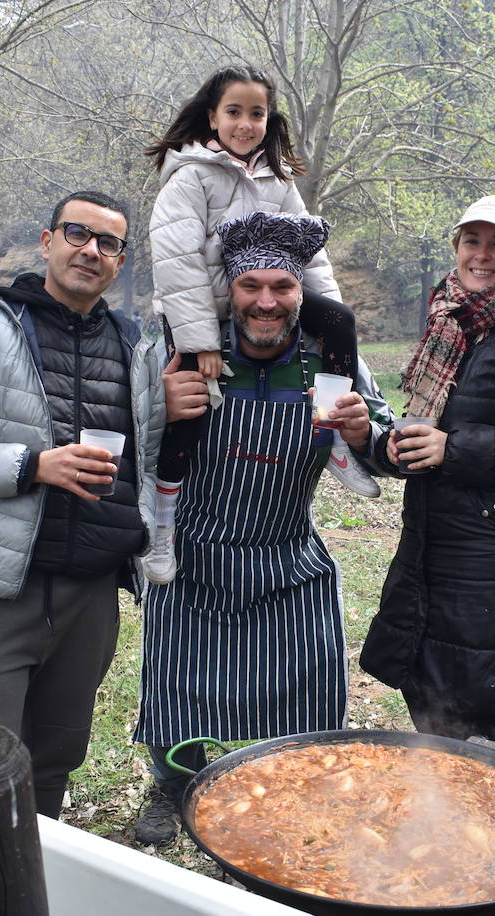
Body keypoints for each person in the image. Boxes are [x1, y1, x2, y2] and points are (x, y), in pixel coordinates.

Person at [0, 190, 166, 819]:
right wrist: (31, 466)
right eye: (77, 233)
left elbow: (150, 457)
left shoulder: (135, 345)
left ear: (121, 261)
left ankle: (40, 872)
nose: (91, 251)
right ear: (47, 242)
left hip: (90, 594)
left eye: (108, 243)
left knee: (56, 758)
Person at [132, 210, 391, 846]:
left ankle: (300, 784)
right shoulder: (184, 352)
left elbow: (384, 441)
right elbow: (123, 428)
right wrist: (159, 409)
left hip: (286, 553)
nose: (267, 302)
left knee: (308, 683)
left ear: (302, 292)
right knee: (177, 685)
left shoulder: (331, 361)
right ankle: (172, 787)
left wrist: (363, 432)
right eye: (252, 288)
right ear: (231, 291)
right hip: (191, 552)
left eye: (282, 287)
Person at [142, 64, 379, 586]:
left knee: (340, 319)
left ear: (269, 118)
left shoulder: (278, 178)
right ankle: (163, 521)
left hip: (266, 296)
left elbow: (310, 256)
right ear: (213, 116)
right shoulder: (190, 177)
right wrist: (200, 339)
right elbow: (177, 262)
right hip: (201, 308)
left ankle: (336, 437)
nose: (246, 123)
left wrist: (330, 325)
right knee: (189, 410)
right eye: (234, 112)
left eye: (257, 112)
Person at [359, 196, 495, 745]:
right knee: (429, 686)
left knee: (470, 699)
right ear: (456, 248)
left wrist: (452, 449)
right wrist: (381, 444)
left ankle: (486, 818)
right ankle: (453, 813)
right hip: (432, 539)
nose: (483, 255)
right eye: (472, 242)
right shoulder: (450, 324)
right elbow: (424, 429)